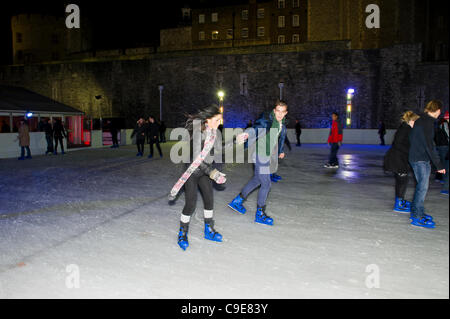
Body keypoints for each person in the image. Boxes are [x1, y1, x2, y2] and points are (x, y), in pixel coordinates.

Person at [168, 106, 227, 251]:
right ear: (208, 120)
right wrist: (212, 173)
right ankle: (182, 232)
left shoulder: (215, 133)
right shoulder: (198, 134)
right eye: (217, 120)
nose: (219, 122)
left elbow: (219, 150)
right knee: (191, 203)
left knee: (209, 199)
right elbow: (197, 160)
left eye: (220, 120)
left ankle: (209, 229)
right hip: (193, 172)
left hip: (205, 172)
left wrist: (236, 141)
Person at [228, 100, 288, 226]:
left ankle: (237, 201)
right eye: (278, 111)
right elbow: (256, 127)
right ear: (274, 111)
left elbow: (281, 137)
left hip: (266, 155)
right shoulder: (267, 120)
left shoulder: (282, 124)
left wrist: (281, 150)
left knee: (257, 180)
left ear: (285, 113)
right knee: (266, 184)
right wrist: (246, 134)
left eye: (283, 112)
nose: (280, 114)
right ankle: (260, 214)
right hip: (261, 155)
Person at [408, 100, 446, 228]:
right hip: (420, 159)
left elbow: (413, 138)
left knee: (421, 186)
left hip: (417, 157)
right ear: (436, 110)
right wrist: (439, 165)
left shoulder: (421, 120)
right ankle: (417, 216)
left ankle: (416, 212)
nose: (440, 113)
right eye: (440, 110)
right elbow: (430, 145)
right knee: (422, 187)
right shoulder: (428, 123)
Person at [383, 111, 420, 213]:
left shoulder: (406, 128)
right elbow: (398, 144)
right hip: (397, 159)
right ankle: (399, 203)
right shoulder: (405, 128)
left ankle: (400, 200)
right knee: (402, 181)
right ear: (411, 120)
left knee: (403, 180)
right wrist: (410, 152)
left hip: (400, 158)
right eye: (415, 121)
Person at [435, 111, 449, 195]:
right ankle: (444, 182)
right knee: (445, 164)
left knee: (443, 163)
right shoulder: (444, 124)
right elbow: (447, 134)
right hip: (444, 145)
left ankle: (440, 178)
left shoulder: (439, 123)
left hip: (440, 145)